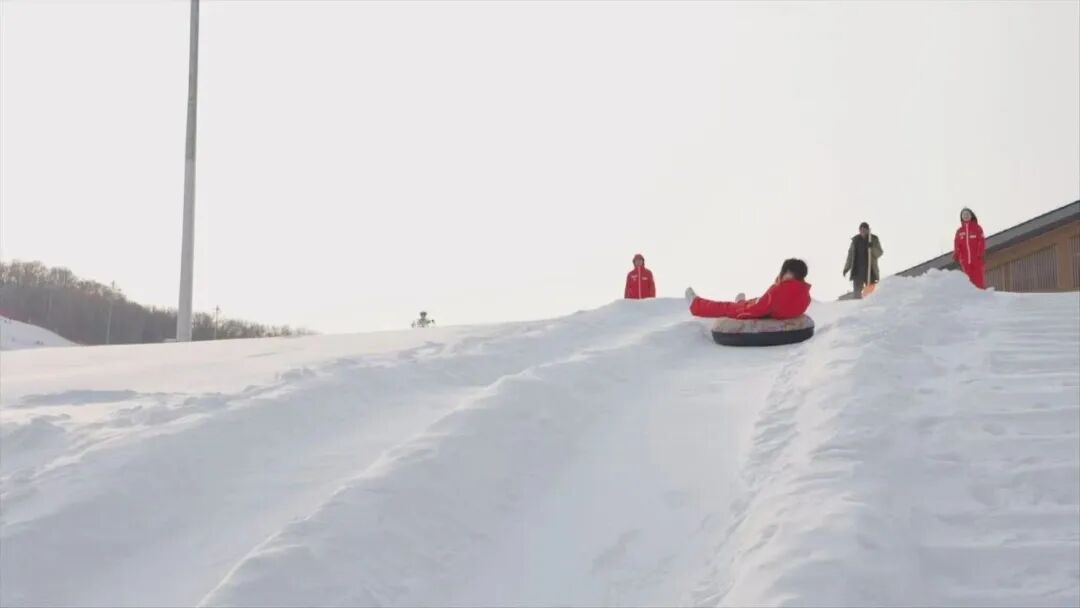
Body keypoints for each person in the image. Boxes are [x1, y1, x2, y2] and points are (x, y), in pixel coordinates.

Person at [685, 258, 811, 320]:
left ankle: (696, 305)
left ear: (786, 272)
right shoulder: (806, 295)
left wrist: (741, 311)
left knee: (726, 307)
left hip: (767, 312)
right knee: (757, 300)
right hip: (776, 311)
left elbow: (757, 309)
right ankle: (741, 302)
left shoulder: (778, 291)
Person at [842, 222, 884, 298]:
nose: (863, 232)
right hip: (857, 272)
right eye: (861, 230)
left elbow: (879, 253)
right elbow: (850, 256)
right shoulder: (855, 241)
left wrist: (872, 248)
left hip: (870, 271)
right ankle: (858, 305)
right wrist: (846, 268)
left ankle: (869, 304)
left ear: (868, 230)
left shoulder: (873, 239)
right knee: (857, 294)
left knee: (870, 295)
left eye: (864, 230)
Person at [954, 207, 986, 289]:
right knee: (968, 282)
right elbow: (957, 244)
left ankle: (980, 294)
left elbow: (982, 241)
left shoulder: (977, 228)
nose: (966, 216)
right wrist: (956, 254)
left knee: (978, 280)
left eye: (967, 214)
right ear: (961, 217)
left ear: (971, 215)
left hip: (976, 259)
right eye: (964, 215)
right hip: (965, 261)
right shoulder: (959, 231)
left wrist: (979, 253)